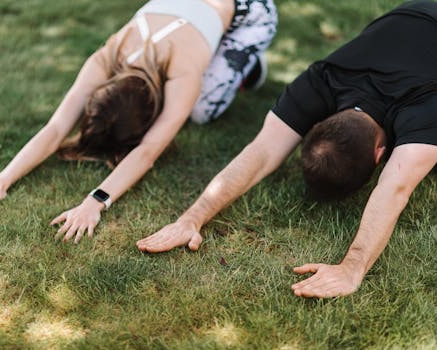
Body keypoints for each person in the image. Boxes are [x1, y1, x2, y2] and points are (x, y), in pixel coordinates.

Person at [137, 0, 437, 299]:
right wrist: (191, 218)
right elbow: (262, 152)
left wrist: (353, 266)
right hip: (409, 16)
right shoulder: (322, 79)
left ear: (379, 156)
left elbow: (395, 187)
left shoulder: (419, 108)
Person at [0, 0, 278, 243]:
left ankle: (247, 64)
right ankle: (219, 50)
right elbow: (54, 129)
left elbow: (149, 150)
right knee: (189, 100)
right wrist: (0, 181)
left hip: (250, 12)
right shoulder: (108, 55)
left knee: (201, 111)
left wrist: (96, 201)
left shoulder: (184, 70)